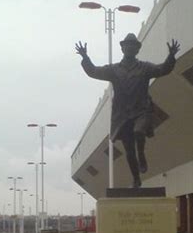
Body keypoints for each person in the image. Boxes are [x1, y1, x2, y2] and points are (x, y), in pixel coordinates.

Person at [76, 33, 180, 188]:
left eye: (133, 46)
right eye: (127, 45)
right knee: (129, 151)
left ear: (137, 49)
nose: (130, 48)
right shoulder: (114, 69)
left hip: (141, 110)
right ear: (122, 48)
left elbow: (162, 69)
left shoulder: (145, 67)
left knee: (139, 132)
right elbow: (94, 71)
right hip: (123, 115)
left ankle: (142, 155)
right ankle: (136, 179)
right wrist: (85, 57)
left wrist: (171, 56)